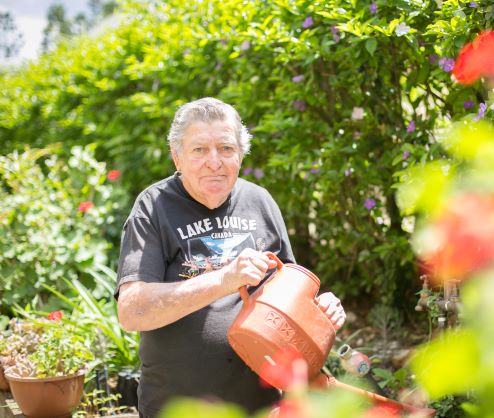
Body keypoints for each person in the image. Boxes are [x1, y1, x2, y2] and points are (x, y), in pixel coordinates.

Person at [115, 97, 346, 417]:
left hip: (258, 408)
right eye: (199, 150)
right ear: (176, 156)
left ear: (240, 154)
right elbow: (132, 311)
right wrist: (224, 279)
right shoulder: (153, 207)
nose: (215, 161)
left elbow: (290, 299)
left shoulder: (260, 201)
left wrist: (320, 313)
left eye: (226, 148)